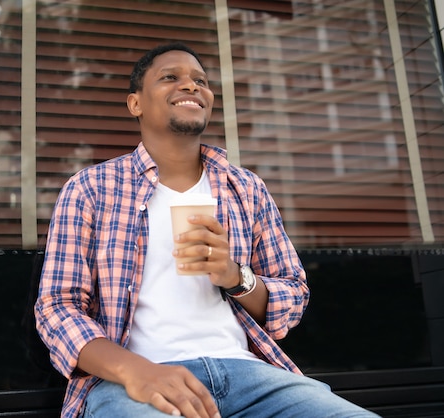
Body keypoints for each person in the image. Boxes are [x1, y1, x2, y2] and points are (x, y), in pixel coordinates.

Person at [35, 43, 379, 418]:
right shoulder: (91, 188)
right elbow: (57, 309)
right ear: (136, 104)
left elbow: (294, 295)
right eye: (170, 78)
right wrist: (136, 371)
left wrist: (236, 276)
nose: (191, 86)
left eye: (200, 80)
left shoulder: (245, 187)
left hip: (251, 377)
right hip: (137, 381)